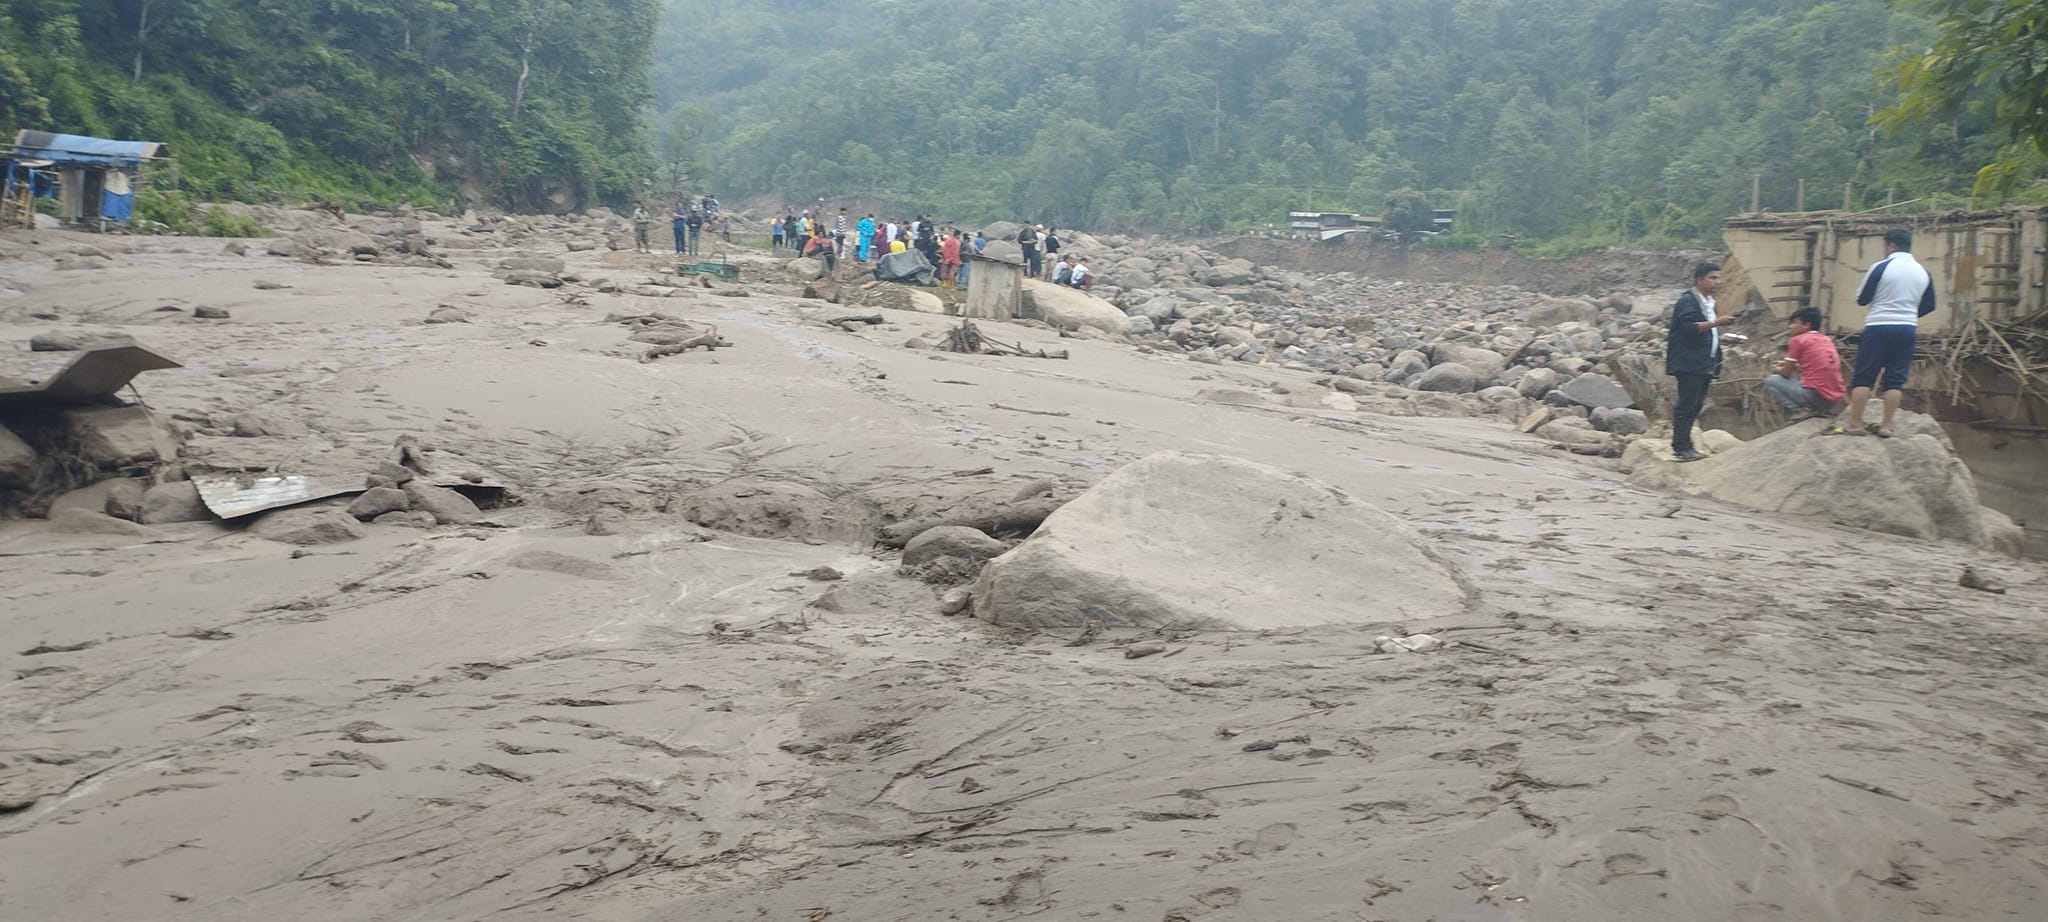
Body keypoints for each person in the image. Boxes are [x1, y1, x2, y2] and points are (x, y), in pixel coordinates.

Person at [1840, 227, 1936, 438]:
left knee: (1864, 377)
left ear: (1891, 245)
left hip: (1879, 326)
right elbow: (1930, 304)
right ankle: (1886, 426)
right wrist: (1909, 313)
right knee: (1895, 380)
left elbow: (1862, 299)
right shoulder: (1923, 271)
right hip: (1907, 328)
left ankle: (1855, 424)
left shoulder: (1881, 267)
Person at [1665, 262, 1735, 462]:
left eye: (1718, 278)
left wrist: (1721, 336)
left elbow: (1703, 333)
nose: (1717, 282)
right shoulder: (1688, 301)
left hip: (1704, 362)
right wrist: (1716, 323)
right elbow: (1687, 329)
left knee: (1695, 406)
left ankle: (1687, 446)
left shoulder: (1708, 302)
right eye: (1712, 278)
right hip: (1689, 362)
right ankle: (1680, 447)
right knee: (1686, 405)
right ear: (1699, 280)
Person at [1764, 307, 1845, 423]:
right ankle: (1814, 410)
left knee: (1771, 381)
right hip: (1833, 401)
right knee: (1802, 381)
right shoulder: (1826, 339)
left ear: (1806, 325)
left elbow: (1786, 374)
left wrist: (1777, 369)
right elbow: (1813, 367)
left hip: (1815, 397)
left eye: (1794, 323)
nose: (1790, 327)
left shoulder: (1798, 340)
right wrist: (1790, 365)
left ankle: (1800, 411)